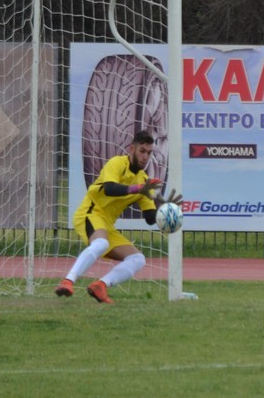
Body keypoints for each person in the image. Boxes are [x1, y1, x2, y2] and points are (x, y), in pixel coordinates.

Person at [55, 130, 180, 304]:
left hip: (107, 225)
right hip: (90, 213)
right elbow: (109, 189)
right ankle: (68, 281)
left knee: (138, 259)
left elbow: (150, 218)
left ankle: (101, 285)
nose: (145, 157)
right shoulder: (117, 163)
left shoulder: (143, 180)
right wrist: (138, 189)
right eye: (142, 151)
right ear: (132, 149)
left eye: (149, 153)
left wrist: (165, 210)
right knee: (101, 243)